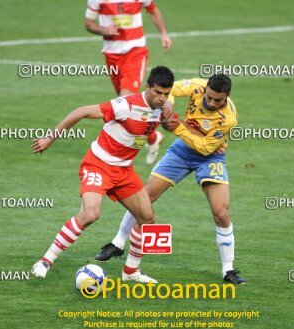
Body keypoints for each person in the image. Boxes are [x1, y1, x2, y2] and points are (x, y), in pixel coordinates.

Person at [94, 75, 246, 284]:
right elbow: (170, 89)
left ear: (227, 97)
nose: (211, 103)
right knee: (145, 197)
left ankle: (228, 270)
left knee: (221, 213)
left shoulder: (228, 117)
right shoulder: (197, 86)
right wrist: (169, 105)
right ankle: (118, 243)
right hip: (182, 150)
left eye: (217, 100)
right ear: (206, 89)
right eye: (209, 97)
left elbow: (205, 147)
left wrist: (177, 127)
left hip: (210, 157)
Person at [31, 66, 175, 283]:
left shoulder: (162, 107)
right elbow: (81, 111)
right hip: (98, 164)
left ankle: (131, 272)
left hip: (124, 171)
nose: (162, 98)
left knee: (147, 218)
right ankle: (45, 261)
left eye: (166, 94)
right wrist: (51, 137)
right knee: (90, 214)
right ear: (148, 88)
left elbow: (165, 118)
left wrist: (168, 117)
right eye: (158, 93)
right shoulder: (126, 105)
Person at [84, 0, 173, 164]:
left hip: (135, 52)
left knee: (124, 100)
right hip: (112, 55)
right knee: (124, 105)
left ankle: (117, 154)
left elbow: (153, 11)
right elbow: (88, 24)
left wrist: (164, 34)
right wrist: (102, 29)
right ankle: (152, 137)